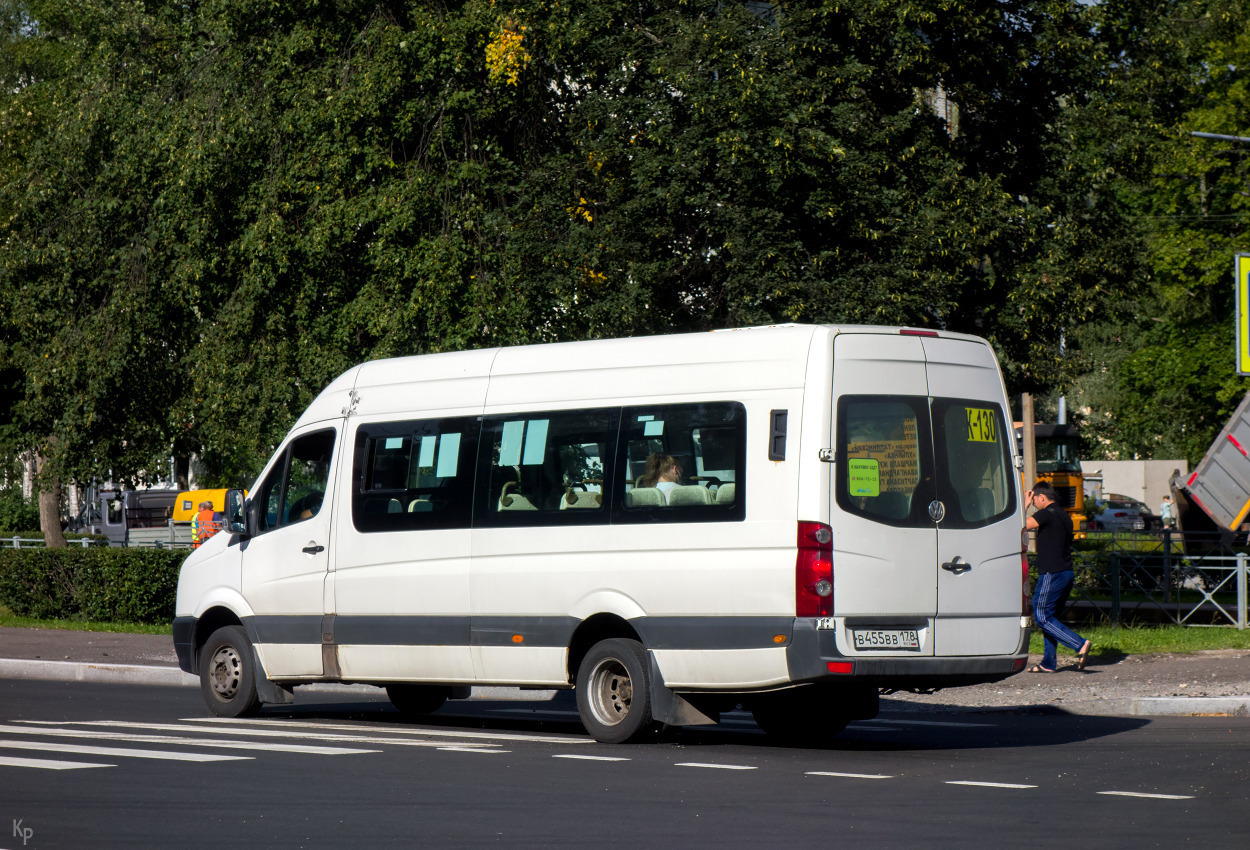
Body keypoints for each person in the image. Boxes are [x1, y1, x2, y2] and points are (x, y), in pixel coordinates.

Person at [1025, 482, 1091, 673]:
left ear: (1042, 497)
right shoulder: (1064, 515)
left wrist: (1025, 504)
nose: (1035, 503)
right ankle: (1048, 662)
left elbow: (1021, 525)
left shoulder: (1047, 513)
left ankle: (1079, 644)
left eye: (1035, 499)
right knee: (1051, 617)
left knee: (1042, 616)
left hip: (1051, 573)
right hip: (1066, 572)